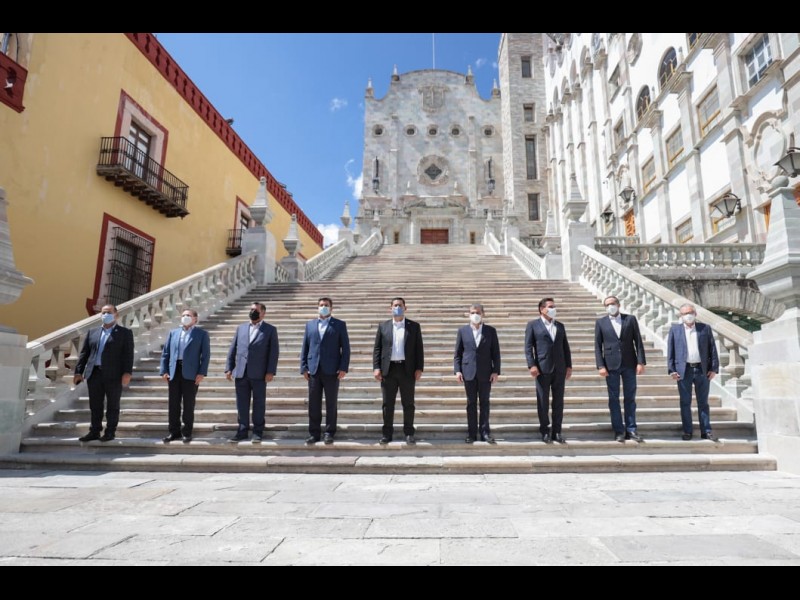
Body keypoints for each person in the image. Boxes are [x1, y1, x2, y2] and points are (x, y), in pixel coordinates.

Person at [73, 305, 134, 442]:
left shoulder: (124, 333)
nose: (106, 315)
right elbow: (84, 354)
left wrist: (127, 372)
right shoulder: (92, 332)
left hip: (114, 375)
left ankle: (110, 432)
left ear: (116, 314)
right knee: (95, 405)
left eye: (109, 312)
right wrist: (78, 372)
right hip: (94, 373)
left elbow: (128, 355)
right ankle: (94, 431)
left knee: (113, 404)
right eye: (103, 313)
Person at [225, 302, 279, 443]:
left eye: (256, 310)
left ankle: (257, 431)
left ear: (263, 313)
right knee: (241, 404)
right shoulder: (241, 328)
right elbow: (233, 349)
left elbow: (273, 352)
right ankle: (242, 430)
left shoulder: (270, 330)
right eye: (251, 309)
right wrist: (229, 368)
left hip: (259, 373)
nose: (252, 312)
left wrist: (271, 371)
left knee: (259, 403)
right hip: (241, 372)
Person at [594, 296, 646, 443]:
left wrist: (641, 362)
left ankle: (631, 429)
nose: (610, 306)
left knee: (630, 398)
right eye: (607, 305)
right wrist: (600, 365)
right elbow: (597, 345)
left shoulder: (630, 319)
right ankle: (618, 430)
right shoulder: (601, 322)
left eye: (612, 303)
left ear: (618, 304)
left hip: (629, 363)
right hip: (611, 365)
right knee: (613, 398)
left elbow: (638, 342)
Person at [373, 297, 424, 445]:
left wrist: (419, 368)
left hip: (407, 370)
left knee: (408, 403)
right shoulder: (383, 326)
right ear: (390, 308)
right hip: (388, 370)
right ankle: (387, 433)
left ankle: (409, 433)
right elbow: (377, 349)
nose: (397, 308)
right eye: (395, 305)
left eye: (400, 305)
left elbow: (419, 349)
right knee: (387, 404)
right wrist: (376, 367)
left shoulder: (414, 326)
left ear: (405, 308)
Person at [300, 297, 351, 445]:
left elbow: (345, 348)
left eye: (326, 305)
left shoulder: (339, 325)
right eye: (321, 305)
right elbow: (305, 347)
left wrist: (343, 367)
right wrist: (303, 367)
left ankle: (329, 432)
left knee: (331, 403)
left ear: (331, 308)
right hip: (314, 369)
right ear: (317, 307)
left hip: (332, 370)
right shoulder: (310, 325)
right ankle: (314, 433)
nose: (323, 307)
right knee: (313, 403)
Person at [667, 303, 720, 442]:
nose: (688, 315)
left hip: (702, 370)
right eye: (685, 313)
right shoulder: (675, 330)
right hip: (683, 371)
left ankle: (706, 431)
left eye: (690, 312)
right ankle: (687, 431)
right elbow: (671, 351)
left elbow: (712, 349)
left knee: (703, 402)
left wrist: (714, 368)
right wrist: (672, 370)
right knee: (685, 402)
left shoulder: (705, 328)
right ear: (681, 315)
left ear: (695, 314)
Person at [159, 308, 210, 444]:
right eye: (183, 315)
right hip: (174, 371)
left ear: (195, 319)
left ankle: (187, 432)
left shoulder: (201, 334)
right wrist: (164, 370)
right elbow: (166, 353)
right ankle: (173, 432)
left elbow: (205, 356)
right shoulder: (173, 333)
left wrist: (202, 373)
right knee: (173, 404)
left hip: (191, 373)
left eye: (188, 315)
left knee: (188, 404)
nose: (185, 317)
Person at [525, 298, 572, 444]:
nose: (553, 309)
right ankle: (545, 430)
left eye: (554, 306)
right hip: (542, 368)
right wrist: (531, 365)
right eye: (550, 306)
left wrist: (569, 366)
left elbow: (565, 347)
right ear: (542, 309)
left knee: (558, 402)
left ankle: (557, 431)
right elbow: (528, 347)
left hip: (559, 368)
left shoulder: (560, 326)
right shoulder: (533, 325)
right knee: (543, 401)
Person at [454, 303, 501, 444]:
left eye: (478, 312)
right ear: (469, 314)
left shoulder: (490, 331)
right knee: (471, 403)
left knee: (485, 403)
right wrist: (457, 370)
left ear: (483, 314)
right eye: (473, 312)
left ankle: (485, 432)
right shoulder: (462, 331)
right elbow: (458, 354)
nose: (475, 315)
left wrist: (495, 371)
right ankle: (472, 433)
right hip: (468, 372)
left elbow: (496, 353)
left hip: (486, 373)